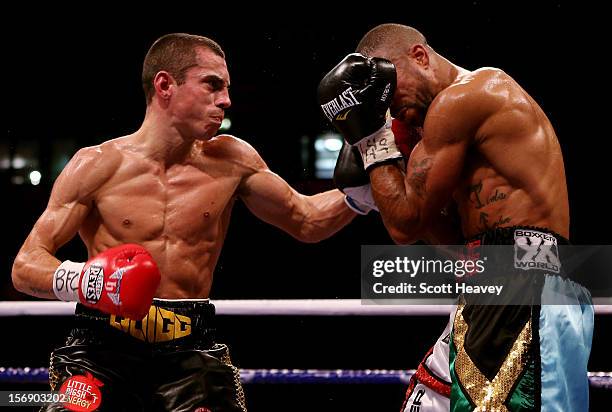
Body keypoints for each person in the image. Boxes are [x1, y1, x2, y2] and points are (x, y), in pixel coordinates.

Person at [11, 33, 361, 412]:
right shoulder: (96, 165)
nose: (225, 100)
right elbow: (25, 265)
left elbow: (306, 220)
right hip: (99, 348)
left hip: (190, 348)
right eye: (212, 85)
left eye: (226, 88)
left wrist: (364, 194)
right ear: (165, 85)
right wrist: (89, 281)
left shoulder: (232, 160)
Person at [319, 24, 593, 411]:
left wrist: (372, 141)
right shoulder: (445, 133)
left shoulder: (467, 96)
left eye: (388, 88)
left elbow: (403, 225)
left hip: (523, 281)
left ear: (419, 56)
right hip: (496, 280)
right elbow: (446, 240)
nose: (387, 106)